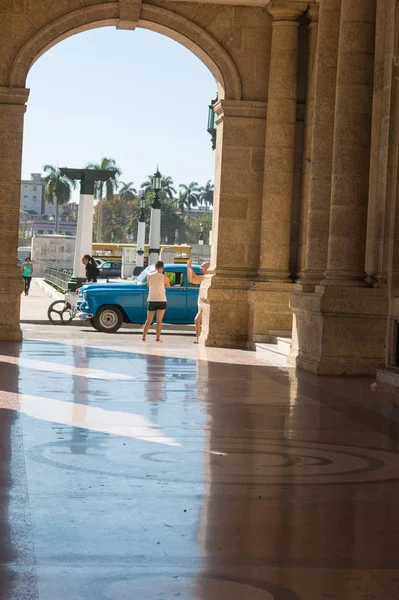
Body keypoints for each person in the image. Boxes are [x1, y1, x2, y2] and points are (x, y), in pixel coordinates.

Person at [142, 261, 170, 342]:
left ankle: (144, 337)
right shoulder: (164, 277)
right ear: (162, 268)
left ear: (155, 267)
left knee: (148, 320)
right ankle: (157, 338)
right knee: (159, 321)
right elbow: (168, 286)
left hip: (151, 299)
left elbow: (148, 284)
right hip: (161, 300)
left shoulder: (149, 275)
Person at [186, 257, 210, 343]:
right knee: (201, 322)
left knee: (197, 320)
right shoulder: (203, 279)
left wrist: (189, 267)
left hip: (204, 305)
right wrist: (188, 268)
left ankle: (199, 339)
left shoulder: (207, 277)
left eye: (202, 266)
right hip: (201, 305)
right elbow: (191, 280)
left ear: (208, 268)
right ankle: (200, 339)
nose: (200, 268)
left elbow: (195, 276)